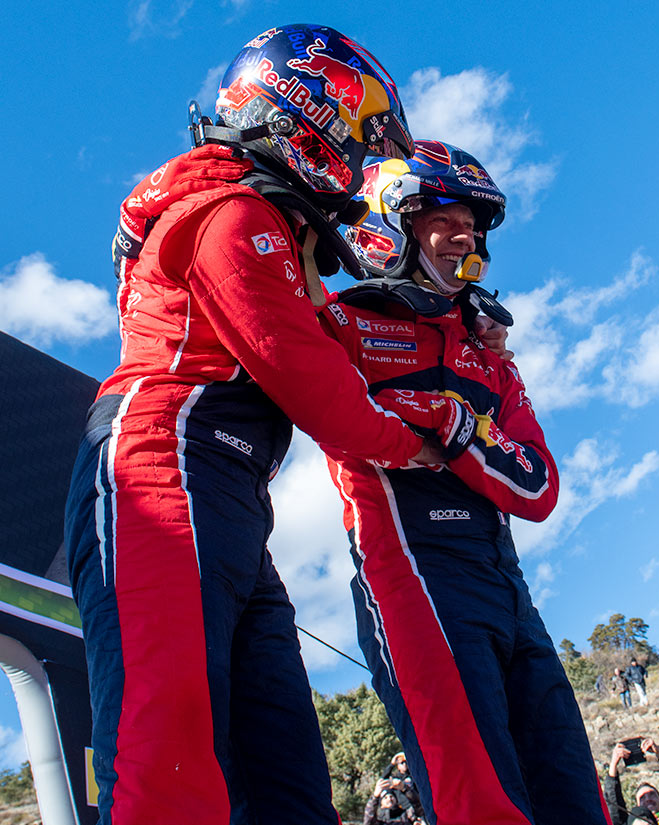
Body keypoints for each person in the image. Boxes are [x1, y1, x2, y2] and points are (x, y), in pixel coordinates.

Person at [66, 23, 430, 825]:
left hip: (224, 498)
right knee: (168, 758)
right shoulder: (230, 214)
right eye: (364, 140)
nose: (366, 166)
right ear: (312, 115)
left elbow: (337, 339)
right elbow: (320, 388)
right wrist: (423, 444)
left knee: (287, 780)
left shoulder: (260, 226)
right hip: (161, 473)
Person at [321, 142, 609, 825]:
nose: (467, 235)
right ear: (392, 220)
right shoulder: (339, 321)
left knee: (576, 798)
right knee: (481, 802)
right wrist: (465, 434)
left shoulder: (486, 347)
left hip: (508, 584)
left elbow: (539, 488)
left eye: (475, 227)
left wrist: (454, 427)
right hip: (415, 578)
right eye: (446, 216)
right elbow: (335, 416)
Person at [604, 739, 659, 825]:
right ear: (637, 806)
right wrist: (613, 764)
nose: (648, 799)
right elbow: (614, 806)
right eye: (642, 798)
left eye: (652, 794)